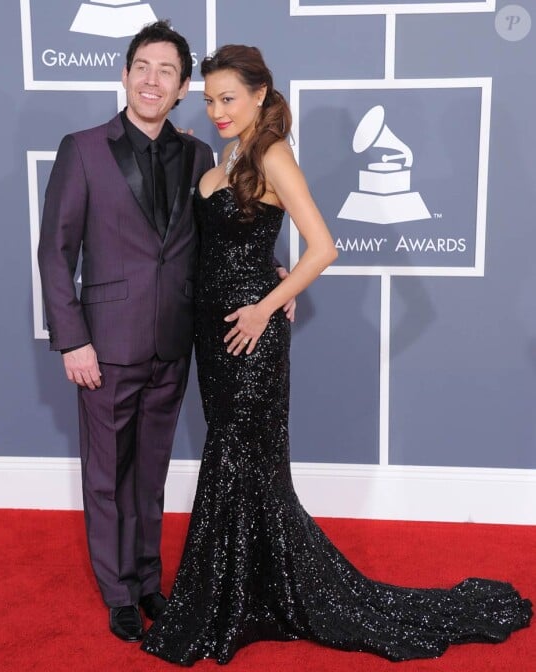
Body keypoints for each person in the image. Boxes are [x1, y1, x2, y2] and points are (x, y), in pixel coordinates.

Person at [140, 45, 532, 665]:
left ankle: (228, 601)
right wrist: (267, 272)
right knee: (245, 468)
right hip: (215, 338)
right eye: (210, 98)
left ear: (261, 94)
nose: (217, 109)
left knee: (237, 461)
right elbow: (234, 237)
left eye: (229, 98)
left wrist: (269, 302)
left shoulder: (271, 153)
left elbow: (323, 247)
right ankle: (249, 594)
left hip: (250, 337)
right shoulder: (229, 152)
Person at [37, 21, 216, 643]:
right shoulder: (82, 148)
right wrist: (74, 339)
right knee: (107, 473)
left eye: (166, 71)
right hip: (104, 346)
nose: (151, 79)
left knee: (152, 472)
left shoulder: (199, 156)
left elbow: (208, 243)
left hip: (173, 341)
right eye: (142, 66)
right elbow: (55, 252)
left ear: (183, 87)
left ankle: (147, 581)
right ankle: (117, 592)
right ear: (125, 74)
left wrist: (270, 273)